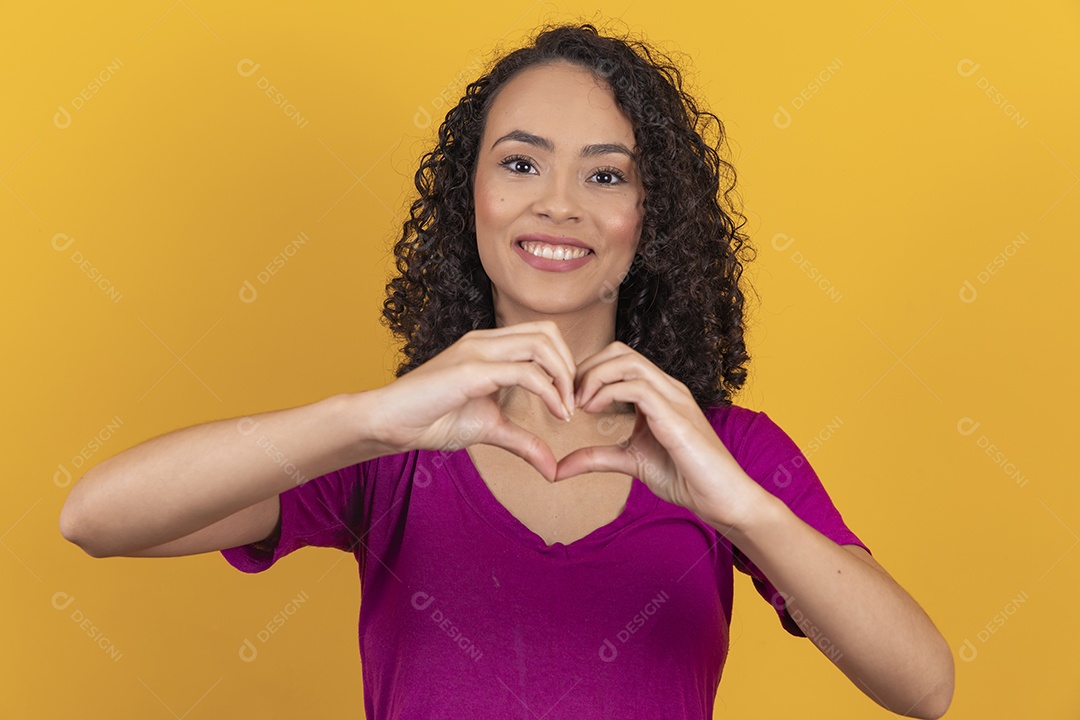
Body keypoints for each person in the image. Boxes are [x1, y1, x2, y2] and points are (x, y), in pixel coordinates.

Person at [59, 22, 953, 720]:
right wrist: (370, 418)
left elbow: (924, 687)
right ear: (471, 200)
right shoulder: (389, 447)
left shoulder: (724, 450)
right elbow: (95, 517)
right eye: (520, 163)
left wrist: (742, 509)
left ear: (651, 217)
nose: (558, 202)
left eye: (606, 176)